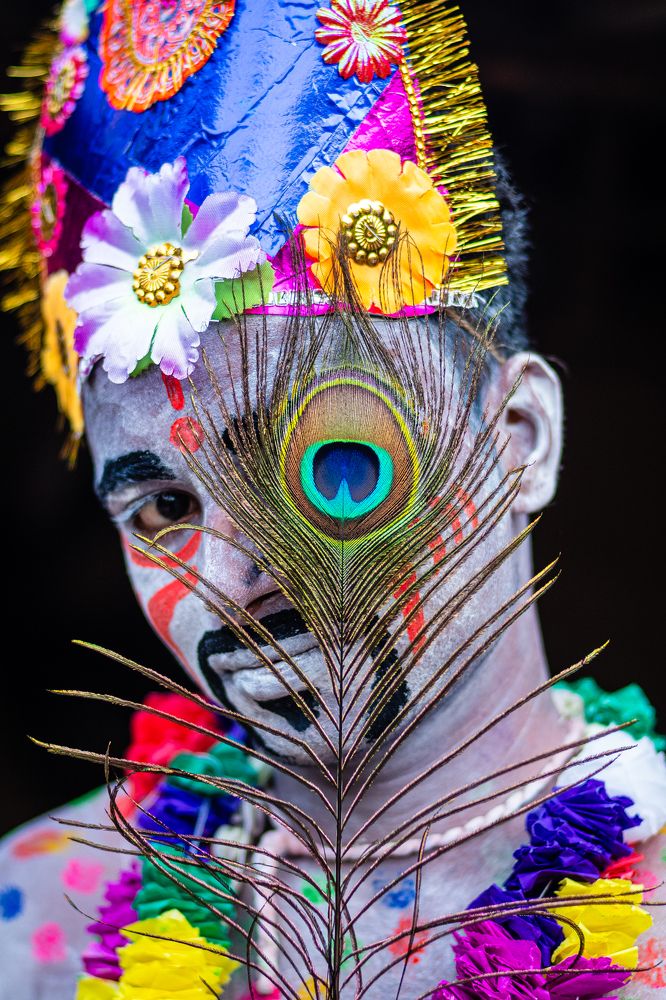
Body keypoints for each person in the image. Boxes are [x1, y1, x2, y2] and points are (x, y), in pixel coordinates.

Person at [1, 2, 664, 999]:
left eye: (333, 465)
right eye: (165, 511)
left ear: (521, 438)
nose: (232, 580)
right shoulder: (33, 922)